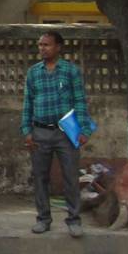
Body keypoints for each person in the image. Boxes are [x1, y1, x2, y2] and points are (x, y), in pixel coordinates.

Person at [23, 31, 96, 238]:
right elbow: (28, 102)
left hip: (65, 133)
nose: (42, 48)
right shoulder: (33, 72)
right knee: (40, 177)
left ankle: (74, 219)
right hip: (40, 131)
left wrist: (84, 130)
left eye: (46, 45)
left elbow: (80, 101)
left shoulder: (70, 71)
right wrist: (27, 130)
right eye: (40, 45)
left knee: (71, 177)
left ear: (58, 47)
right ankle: (43, 219)